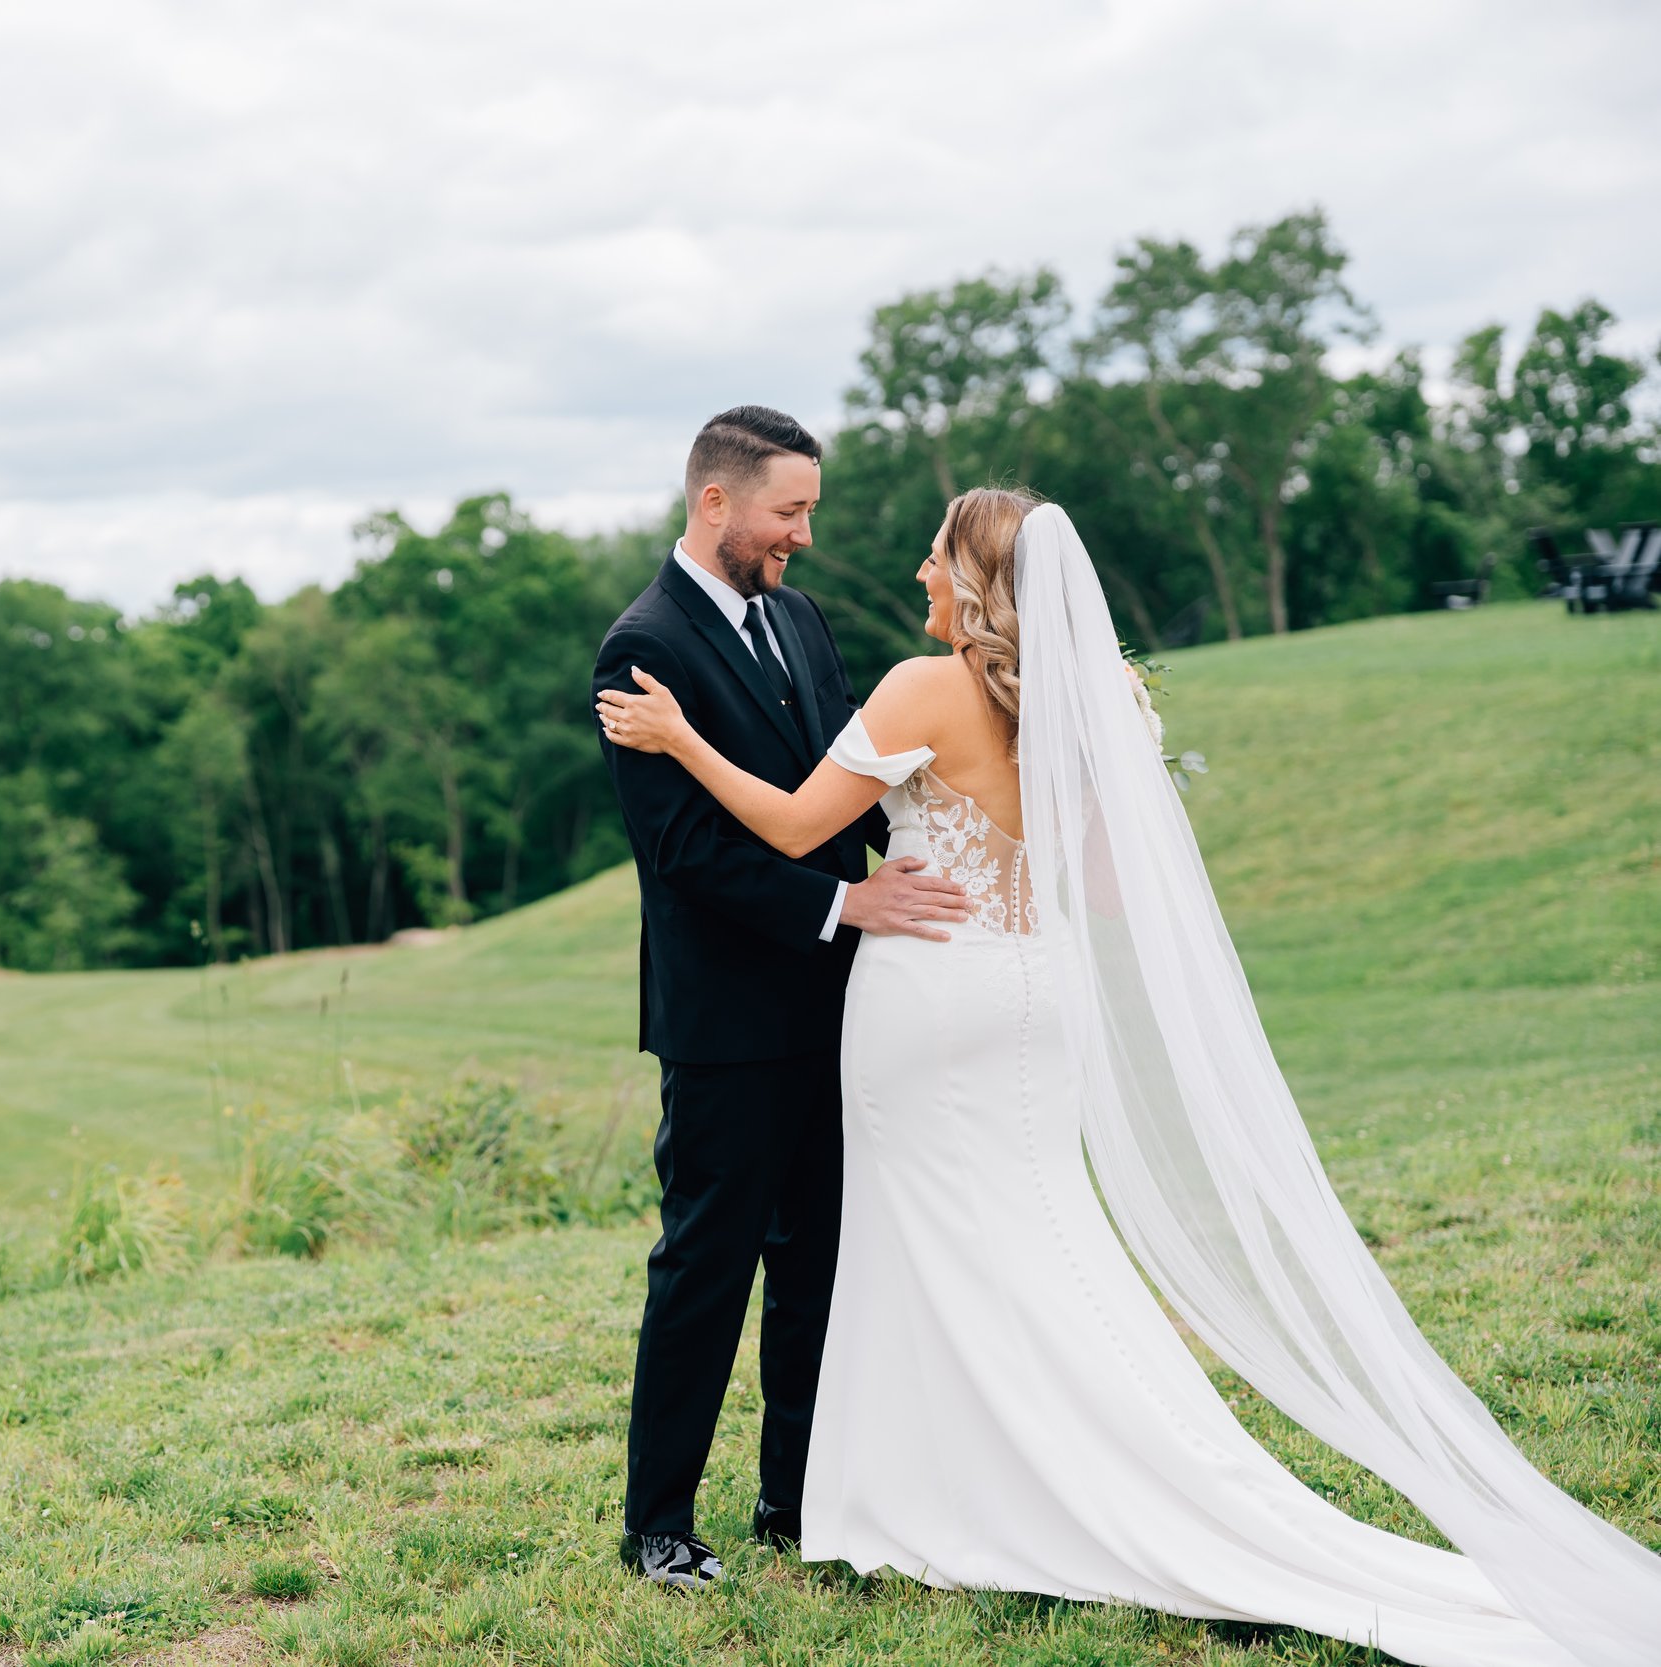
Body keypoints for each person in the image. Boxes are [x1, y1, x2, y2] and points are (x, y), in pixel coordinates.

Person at [596, 487, 1661, 1665]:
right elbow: (1103, 888)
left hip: (932, 993)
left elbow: (799, 830)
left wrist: (682, 740)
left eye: (935, 554)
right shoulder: (1093, 700)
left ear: (975, 578)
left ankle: (963, 1484)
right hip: (1039, 995)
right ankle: (1028, 1467)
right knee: (1040, 1234)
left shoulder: (917, 685)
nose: (915, 570)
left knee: (945, 1239)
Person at [591, 406, 969, 1588]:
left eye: (807, 510)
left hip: (843, 1003)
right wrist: (840, 907)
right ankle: (657, 1524)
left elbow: (840, 786)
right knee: (706, 1263)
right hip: (727, 1022)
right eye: (787, 511)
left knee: (820, 1260)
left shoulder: (798, 619)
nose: (802, 534)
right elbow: (684, 853)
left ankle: (792, 1499)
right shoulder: (640, 648)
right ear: (716, 503)